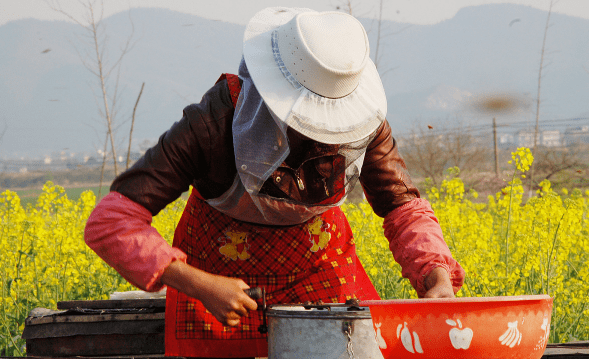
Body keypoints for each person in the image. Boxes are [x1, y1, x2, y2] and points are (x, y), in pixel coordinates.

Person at [84, 7, 465, 359]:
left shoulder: (363, 122)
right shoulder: (212, 125)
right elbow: (112, 223)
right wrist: (198, 284)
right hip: (216, 275)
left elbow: (402, 207)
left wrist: (437, 277)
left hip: (318, 267)